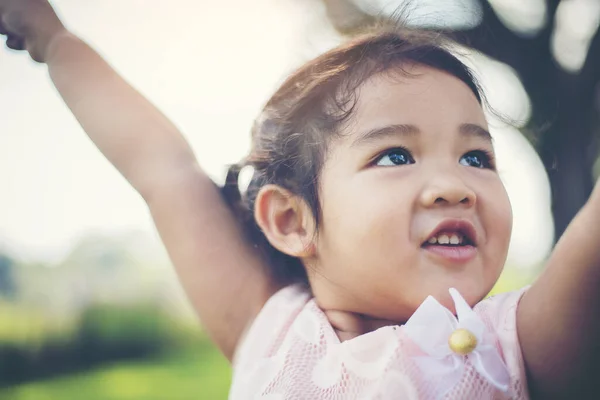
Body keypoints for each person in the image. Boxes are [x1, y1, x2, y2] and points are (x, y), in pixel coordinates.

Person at [1, 1, 599, 398]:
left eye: (477, 157)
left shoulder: (510, 349)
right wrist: (55, 42)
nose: (456, 184)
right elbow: (162, 168)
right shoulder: (270, 329)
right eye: (395, 155)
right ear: (292, 219)